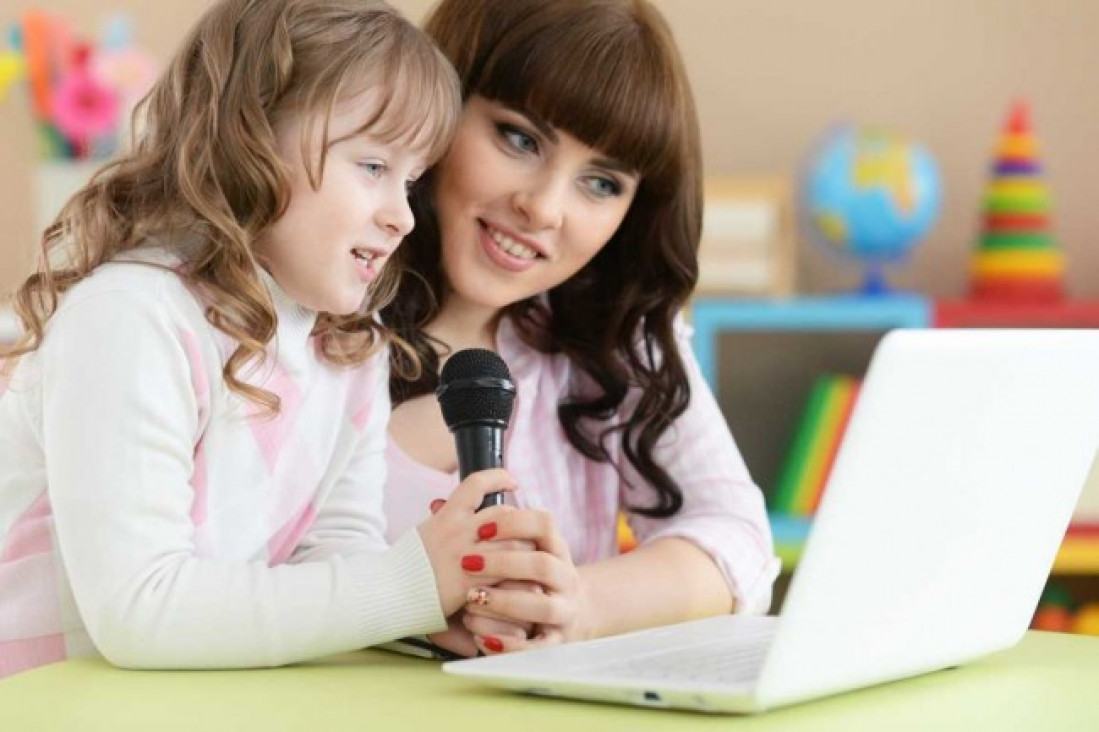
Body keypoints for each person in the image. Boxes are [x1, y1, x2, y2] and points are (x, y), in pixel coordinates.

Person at [0, 0, 524, 679]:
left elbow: (332, 558)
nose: (401, 217)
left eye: (411, 180)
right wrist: (410, 583)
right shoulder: (131, 317)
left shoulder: (346, 348)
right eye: (372, 166)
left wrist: (426, 608)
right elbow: (140, 609)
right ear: (248, 142)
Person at [381, 0, 780, 658]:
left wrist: (578, 607)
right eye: (518, 138)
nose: (541, 208)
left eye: (600, 183)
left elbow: (735, 538)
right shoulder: (317, 315)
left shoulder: (615, 337)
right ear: (438, 103)